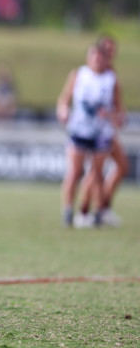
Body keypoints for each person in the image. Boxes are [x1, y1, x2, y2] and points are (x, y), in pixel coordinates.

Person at [56, 44, 121, 228]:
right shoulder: (79, 75)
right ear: (88, 58)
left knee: (97, 174)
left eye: (100, 58)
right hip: (79, 130)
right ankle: (68, 211)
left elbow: (117, 109)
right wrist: (62, 111)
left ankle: (97, 212)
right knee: (75, 172)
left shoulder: (111, 80)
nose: (97, 61)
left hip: (101, 132)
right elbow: (64, 99)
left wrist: (113, 117)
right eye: (94, 57)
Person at [77, 34, 127, 227]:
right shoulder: (90, 74)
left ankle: (103, 206)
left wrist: (119, 116)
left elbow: (116, 104)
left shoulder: (110, 74)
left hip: (106, 129)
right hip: (93, 130)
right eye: (107, 48)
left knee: (120, 167)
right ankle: (85, 210)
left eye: (113, 49)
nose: (110, 52)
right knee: (95, 171)